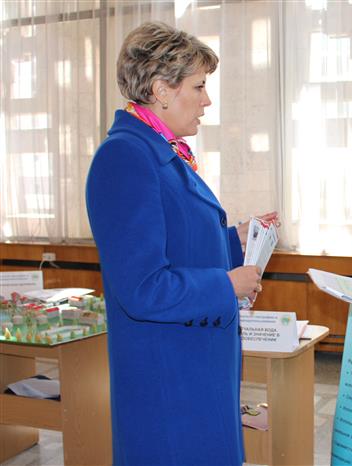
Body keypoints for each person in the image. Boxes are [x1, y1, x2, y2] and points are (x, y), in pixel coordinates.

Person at [86, 21, 278, 465]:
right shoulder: (125, 158)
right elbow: (143, 287)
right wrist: (226, 285)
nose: (207, 100)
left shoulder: (162, 152)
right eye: (199, 86)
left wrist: (235, 239)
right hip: (168, 380)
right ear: (161, 90)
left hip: (193, 365)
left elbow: (179, 245)